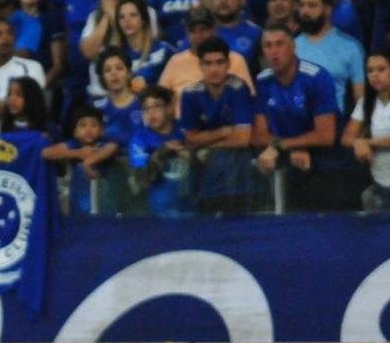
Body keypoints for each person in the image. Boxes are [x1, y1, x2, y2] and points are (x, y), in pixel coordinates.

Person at [252, 25, 339, 211]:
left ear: (293, 47)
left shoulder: (317, 77)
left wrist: (279, 145)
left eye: (279, 44)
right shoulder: (262, 81)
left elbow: (326, 136)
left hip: (321, 163)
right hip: (282, 160)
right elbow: (259, 135)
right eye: (268, 46)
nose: (274, 52)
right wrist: (286, 150)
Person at [179, 37, 256, 214]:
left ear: (228, 64)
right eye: (208, 63)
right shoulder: (190, 94)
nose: (214, 69)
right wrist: (223, 132)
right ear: (200, 65)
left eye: (220, 62)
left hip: (235, 170)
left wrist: (207, 146)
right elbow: (190, 139)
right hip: (202, 172)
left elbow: (242, 139)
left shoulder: (238, 89)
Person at [343, 53, 390, 212]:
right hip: (381, 183)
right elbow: (346, 137)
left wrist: (366, 142)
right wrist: (357, 142)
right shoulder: (365, 102)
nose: (375, 75)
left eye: (381, 69)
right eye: (370, 71)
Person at [127, 84, 190, 217]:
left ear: (169, 107)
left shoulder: (186, 129)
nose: (151, 113)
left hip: (192, 208)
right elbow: (139, 180)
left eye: (157, 106)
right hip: (159, 213)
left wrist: (190, 152)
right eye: (146, 108)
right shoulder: (139, 139)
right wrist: (163, 151)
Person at [43, 103, 118, 214]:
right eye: (83, 125)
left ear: (102, 130)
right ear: (75, 132)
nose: (88, 129)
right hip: (78, 207)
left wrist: (89, 162)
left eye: (94, 125)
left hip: (104, 208)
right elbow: (47, 153)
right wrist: (79, 153)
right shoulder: (74, 145)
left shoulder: (103, 146)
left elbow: (112, 147)